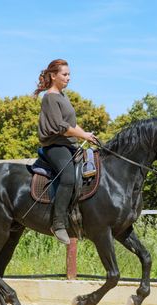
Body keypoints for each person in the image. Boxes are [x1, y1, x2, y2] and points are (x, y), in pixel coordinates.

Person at [34, 59, 97, 245]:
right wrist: (81, 134)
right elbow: (61, 127)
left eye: (69, 74)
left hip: (69, 144)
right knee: (68, 177)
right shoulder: (50, 97)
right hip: (55, 146)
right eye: (65, 74)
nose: (68, 78)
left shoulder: (63, 96)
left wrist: (87, 135)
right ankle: (58, 223)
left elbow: (72, 123)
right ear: (54, 76)